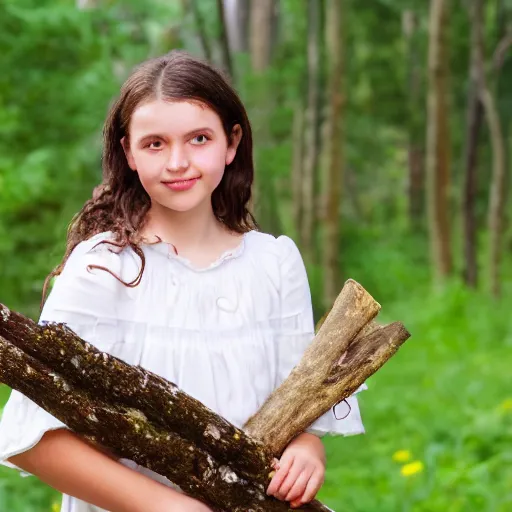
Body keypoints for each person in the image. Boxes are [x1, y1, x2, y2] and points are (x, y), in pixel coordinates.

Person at [0, 50, 365, 512]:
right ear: (128, 152)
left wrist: (307, 449)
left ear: (231, 143)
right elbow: (35, 441)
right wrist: (173, 508)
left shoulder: (275, 264)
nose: (178, 162)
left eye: (198, 138)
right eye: (155, 143)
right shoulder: (103, 267)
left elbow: (299, 406)